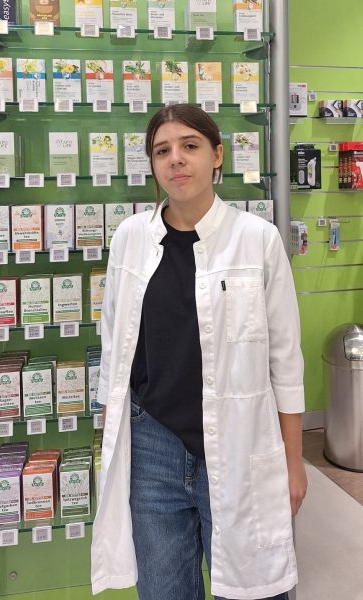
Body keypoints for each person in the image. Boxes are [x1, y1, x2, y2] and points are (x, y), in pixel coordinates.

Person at [91, 104, 307, 600]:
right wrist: (110, 441)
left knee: (251, 588)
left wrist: (294, 462)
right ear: (152, 165)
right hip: (152, 447)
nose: (176, 159)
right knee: (163, 589)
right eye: (162, 151)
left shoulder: (257, 239)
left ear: (217, 156)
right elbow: (114, 346)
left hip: (240, 440)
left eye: (190, 146)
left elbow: (285, 362)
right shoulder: (129, 238)